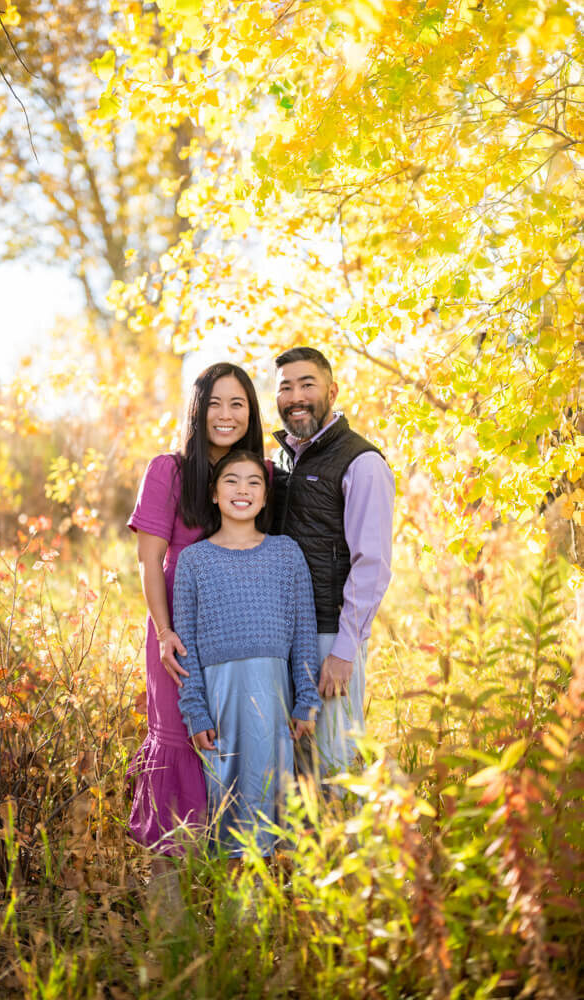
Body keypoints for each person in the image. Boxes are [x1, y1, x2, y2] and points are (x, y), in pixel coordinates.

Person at [126, 364, 265, 895]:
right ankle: (170, 916)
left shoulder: (261, 476)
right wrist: (163, 633)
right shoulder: (169, 471)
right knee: (180, 747)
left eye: (238, 405)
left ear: (251, 414)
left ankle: (234, 920)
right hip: (178, 640)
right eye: (216, 403)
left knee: (235, 749)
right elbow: (149, 561)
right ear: (198, 409)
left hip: (239, 639)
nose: (226, 416)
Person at [174, 450, 321, 858]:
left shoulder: (286, 553)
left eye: (254, 482)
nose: (243, 489)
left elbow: (305, 634)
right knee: (228, 806)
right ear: (214, 494)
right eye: (232, 481)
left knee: (274, 803)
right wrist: (195, 711)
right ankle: (232, 909)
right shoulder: (194, 561)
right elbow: (185, 644)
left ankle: (274, 906)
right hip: (221, 702)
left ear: (265, 496)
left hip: (273, 700)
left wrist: (307, 699)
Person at [272, 347, 394, 780]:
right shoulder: (280, 461)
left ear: (332, 391)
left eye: (308, 384)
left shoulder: (361, 462)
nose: (296, 396)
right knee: (292, 772)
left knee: (334, 766)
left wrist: (344, 651)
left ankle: (346, 849)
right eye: (286, 387)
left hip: (329, 636)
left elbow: (372, 564)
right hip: (281, 637)